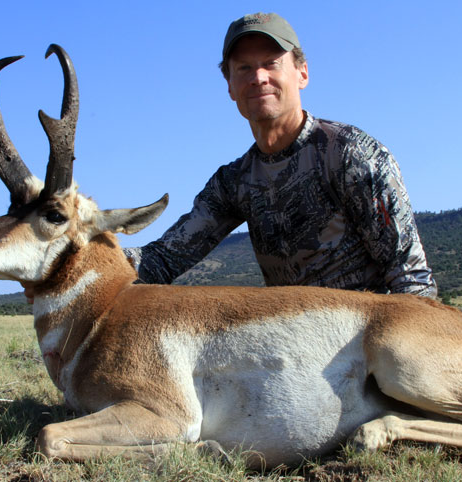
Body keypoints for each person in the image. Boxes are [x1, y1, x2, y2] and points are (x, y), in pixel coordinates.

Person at [25, 12, 437, 303]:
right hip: (296, 341)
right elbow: (162, 260)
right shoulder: (235, 181)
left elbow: (412, 281)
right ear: (229, 85)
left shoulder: (351, 155)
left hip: (370, 336)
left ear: (302, 73)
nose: (258, 77)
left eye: (271, 63)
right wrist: (65, 256)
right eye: (243, 68)